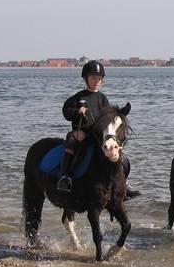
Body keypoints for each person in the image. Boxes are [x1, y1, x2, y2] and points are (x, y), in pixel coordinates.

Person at [57, 61, 139, 199]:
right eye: (93, 78)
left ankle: (123, 183)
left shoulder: (102, 98)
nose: (96, 81)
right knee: (72, 141)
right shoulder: (78, 97)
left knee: (118, 152)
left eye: (99, 78)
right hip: (81, 132)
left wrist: (120, 114)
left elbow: (108, 117)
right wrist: (77, 111)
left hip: (98, 135)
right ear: (86, 78)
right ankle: (66, 177)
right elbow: (66, 112)